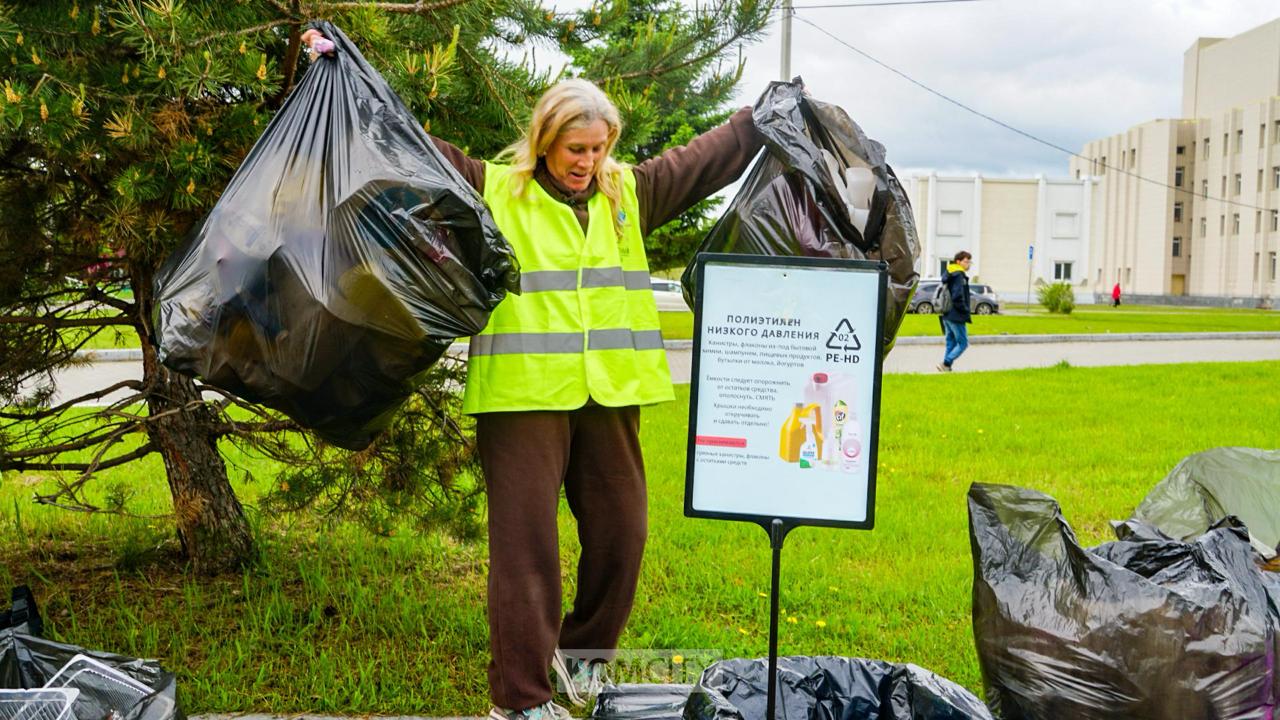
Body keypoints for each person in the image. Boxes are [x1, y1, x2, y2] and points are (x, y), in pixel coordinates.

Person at [303, 31, 765, 720]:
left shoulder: (628, 194)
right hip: (522, 399)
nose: (588, 162)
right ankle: (520, 702)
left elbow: (704, 160)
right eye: (576, 149)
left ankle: (582, 660)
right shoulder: (495, 189)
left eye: (599, 148)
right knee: (527, 553)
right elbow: (409, 143)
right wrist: (346, 74)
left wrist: (759, 118)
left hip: (610, 393)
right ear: (545, 141)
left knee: (624, 534)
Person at [937, 251, 972, 372]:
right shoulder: (958, 275)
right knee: (963, 343)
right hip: (956, 314)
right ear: (958, 261)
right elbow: (957, 296)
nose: (968, 264)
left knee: (950, 342)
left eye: (969, 261)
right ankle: (946, 362)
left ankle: (946, 367)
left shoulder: (949, 273)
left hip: (946, 313)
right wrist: (965, 310)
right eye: (966, 261)